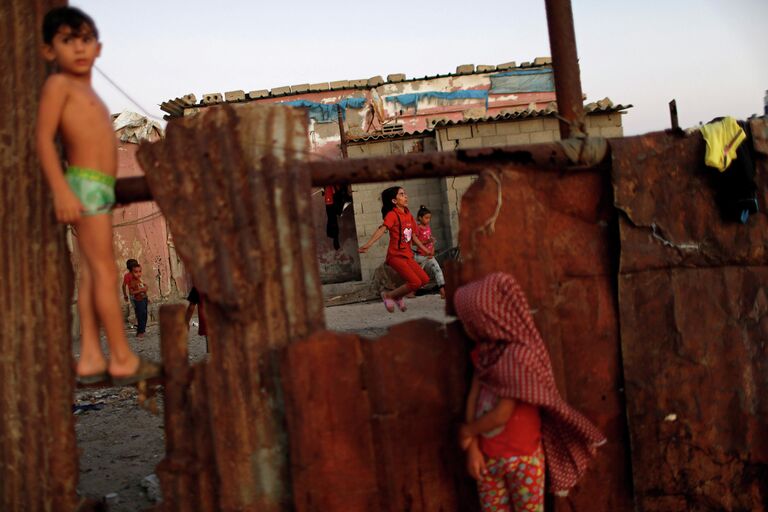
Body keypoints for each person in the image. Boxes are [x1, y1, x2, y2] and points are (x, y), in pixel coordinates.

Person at [35, 6, 160, 385]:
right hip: (84, 183)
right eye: (67, 40)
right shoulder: (59, 87)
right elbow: (43, 139)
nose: (78, 48)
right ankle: (120, 356)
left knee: (93, 274)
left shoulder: (86, 92)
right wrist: (60, 188)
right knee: (104, 272)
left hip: (97, 187)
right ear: (48, 51)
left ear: (98, 47)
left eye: (85, 39)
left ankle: (91, 354)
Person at [455, 272, 605, 511]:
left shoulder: (519, 356)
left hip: (525, 460)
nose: (466, 327)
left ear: (487, 319)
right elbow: (474, 397)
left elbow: (503, 413)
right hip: (487, 458)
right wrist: (472, 446)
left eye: (468, 320)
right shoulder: (483, 355)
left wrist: (467, 430)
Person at [358, 186, 431, 312]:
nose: (405, 196)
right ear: (394, 201)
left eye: (405, 193)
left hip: (407, 255)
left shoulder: (408, 214)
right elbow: (382, 229)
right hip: (396, 256)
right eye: (402, 194)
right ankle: (389, 296)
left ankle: (396, 296)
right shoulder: (392, 215)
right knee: (415, 282)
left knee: (424, 280)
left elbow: (413, 236)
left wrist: (425, 249)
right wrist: (368, 244)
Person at [413, 205, 446, 299]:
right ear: (420, 218)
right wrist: (427, 242)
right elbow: (414, 242)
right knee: (418, 275)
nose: (428, 220)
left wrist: (432, 249)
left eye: (429, 218)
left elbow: (430, 239)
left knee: (438, 270)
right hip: (420, 256)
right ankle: (412, 291)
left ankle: (442, 291)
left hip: (429, 255)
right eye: (426, 218)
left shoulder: (427, 227)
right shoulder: (417, 228)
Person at [126, 262, 149, 339]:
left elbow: (143, 288)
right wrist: (140, 290)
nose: (138, 274)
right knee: (140, 316)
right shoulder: (132, 282)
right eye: (136, 272)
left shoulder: (139, 280)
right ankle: (140, 332)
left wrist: (145, 288)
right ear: (131, 273)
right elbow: (131, 292)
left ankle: (143, 330)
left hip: (144, 299)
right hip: (138, 301)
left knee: (145, 315)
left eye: (140, 271)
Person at [121, 258, 138, 327]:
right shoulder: (137, 274)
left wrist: (125, 295)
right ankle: (137, 322)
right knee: (139, 309)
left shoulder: (127, 276)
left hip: (133, 295)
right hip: (137, 294)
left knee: (136, 309)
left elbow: (123, 286)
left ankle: (137, 322)